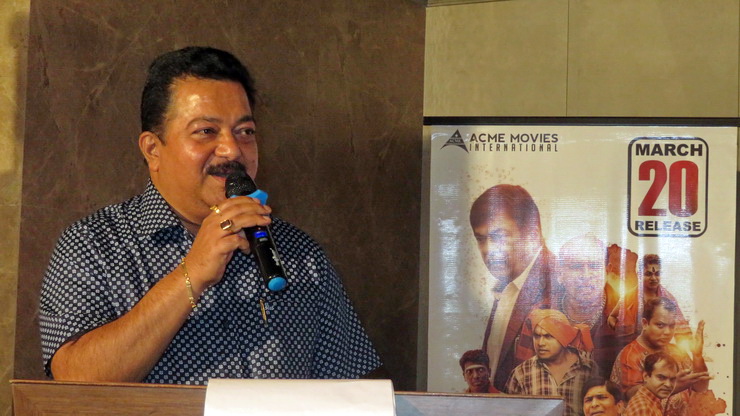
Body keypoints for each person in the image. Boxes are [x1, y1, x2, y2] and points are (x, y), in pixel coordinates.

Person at [39, 46, 381, 384]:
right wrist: (192, 273)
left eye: (245, 132)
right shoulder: (94, 245)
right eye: (206, 131)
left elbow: (355, 390)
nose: (232, 150)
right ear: (153, 149)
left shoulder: (298, 253)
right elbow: (74, 380)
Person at [470, 184, 556, 390]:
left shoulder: (557, 287)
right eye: (481, 239)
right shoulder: (507, 284)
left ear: (533, 235)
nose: (489, 249)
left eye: (499, 236)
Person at [610, 298, 709, 415]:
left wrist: (697, 356)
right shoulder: (630, 355)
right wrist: (675, 385)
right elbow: (632, 396)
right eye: (660, 325)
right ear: (645, 323)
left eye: (671, 326)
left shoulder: (677, 352)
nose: (667, 332)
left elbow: (701, 387)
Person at [505, 309, 599, 416]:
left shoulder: (589, 369)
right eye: (537, 336)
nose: (541, 343)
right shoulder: (521, 373)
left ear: (562, 338)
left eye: (548, 336)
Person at [607, 255, 691, 344]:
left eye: (657, 274)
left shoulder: (668, 299)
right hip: (634, 347)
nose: (653, 278)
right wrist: (621, 331)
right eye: (648, 274)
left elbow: (682, 330)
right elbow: (611, 317)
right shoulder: (629, 297)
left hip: (660, 348)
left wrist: (683, 347)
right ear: (639, 275)